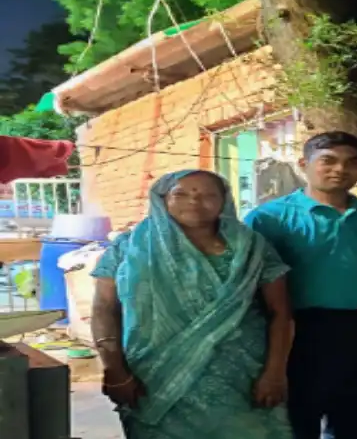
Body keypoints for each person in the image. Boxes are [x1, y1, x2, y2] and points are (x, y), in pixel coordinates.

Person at [90, 170, 294, 439]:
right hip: (153, 377)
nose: (195, 203)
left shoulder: (252, 246)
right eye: (181, 194)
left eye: (209, 195)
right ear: (162, 200)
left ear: (224, 200)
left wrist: (275, 373)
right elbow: (104, 308)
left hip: (240, 378)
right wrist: (114, 370)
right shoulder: (129, 246)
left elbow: (280, 313)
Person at [245, 131, 357, 439]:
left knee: (356, 418)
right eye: (328, 161)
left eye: (352, 163)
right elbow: (252, 281)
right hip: (301, 331)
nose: (341, 170)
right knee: (299, 418)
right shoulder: (269, 219)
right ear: (304, 164)